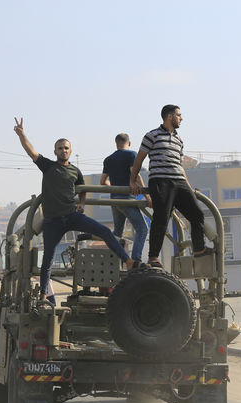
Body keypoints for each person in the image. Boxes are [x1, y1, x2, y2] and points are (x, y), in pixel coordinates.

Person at [13, 117, 139, 299]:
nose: (63, 150)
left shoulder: (75, 171)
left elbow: (83, 190)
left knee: (104, 231)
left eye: (66, 148)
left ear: (70, 151)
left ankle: (127, 261)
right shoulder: (48, 166)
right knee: (47, 257)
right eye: (60, 148)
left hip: (72, 216)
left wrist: (81, 203)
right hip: (53, 222)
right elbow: (31, 152)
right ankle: (43, 295)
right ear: (55, 151)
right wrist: (22, 134)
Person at [130, 104, 211, 269]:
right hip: (161, 181)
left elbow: (179, 166)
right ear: (169, 116)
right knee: (161, 218)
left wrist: (189, 188)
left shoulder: (179, 139)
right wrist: (133, 181)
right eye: (179, 115)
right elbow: (139, 160)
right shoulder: (151, 135)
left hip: (179, 182)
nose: (182, 118)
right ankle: (153, 257)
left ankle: (198, 248)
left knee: (197, 214)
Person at [100, 133, 150, 263]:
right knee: (142, 229)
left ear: (116, 143)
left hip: (114, 200)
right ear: (129, 143)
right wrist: (147, 196)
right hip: (127, 199)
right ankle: (135, 260)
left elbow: (102, 181)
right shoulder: (131, 155)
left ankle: (113, 263)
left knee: (117, 233)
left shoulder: (108, 159)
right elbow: (136, 176)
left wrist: (114, 187)